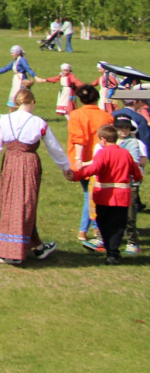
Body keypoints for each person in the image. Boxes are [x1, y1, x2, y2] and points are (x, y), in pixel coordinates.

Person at [0, 87, 71, 265]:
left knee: (11, 204)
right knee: (25, 204)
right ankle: (15, 251)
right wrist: (65, 166)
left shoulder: (4, 120)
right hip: (28, 163)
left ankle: (21, 248)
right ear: (31, 102)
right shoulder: (38, 122)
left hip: (9, 163)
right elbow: (53, 147)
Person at [72, 125, 143, 264]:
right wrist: (138, 178)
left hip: (104, 195)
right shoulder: (126, 154)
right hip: (122, 196)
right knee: (118, 225)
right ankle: (113, 253)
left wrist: (76, 175)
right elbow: (136, 172)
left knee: (103, 223)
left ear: (103, 140)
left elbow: (93, 169)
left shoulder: (102, 153)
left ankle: (110, 251)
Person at [67, 86, 117, 250]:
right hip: (103, 161)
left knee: (89, 195)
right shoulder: (107, 117)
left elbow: (79, 139)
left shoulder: (76, 115)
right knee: (92, 195)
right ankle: (94, 229)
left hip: (83, 162)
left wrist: (78, 159)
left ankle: (87, 230)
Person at [112, 115, 145, 256]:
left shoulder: (133, 143)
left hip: (130, 182)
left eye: (126, 127)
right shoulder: (112, 142)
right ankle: (113, 240)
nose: (123, 130)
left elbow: (133, 161)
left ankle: (132, 242)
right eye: (120, 127)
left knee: (130, 214)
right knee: (113, 213)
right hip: (114, 182)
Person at [0, 45, 36, 110]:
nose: (12, 54)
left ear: (17, 53)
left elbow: (27, 68)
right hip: (16, 80)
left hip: (21, 81)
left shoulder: (21, 60)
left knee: (19, 96)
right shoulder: (16, 61)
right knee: (14, 95)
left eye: (13, 53)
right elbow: (6, 68)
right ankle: (13, 110)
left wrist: (35, 76)